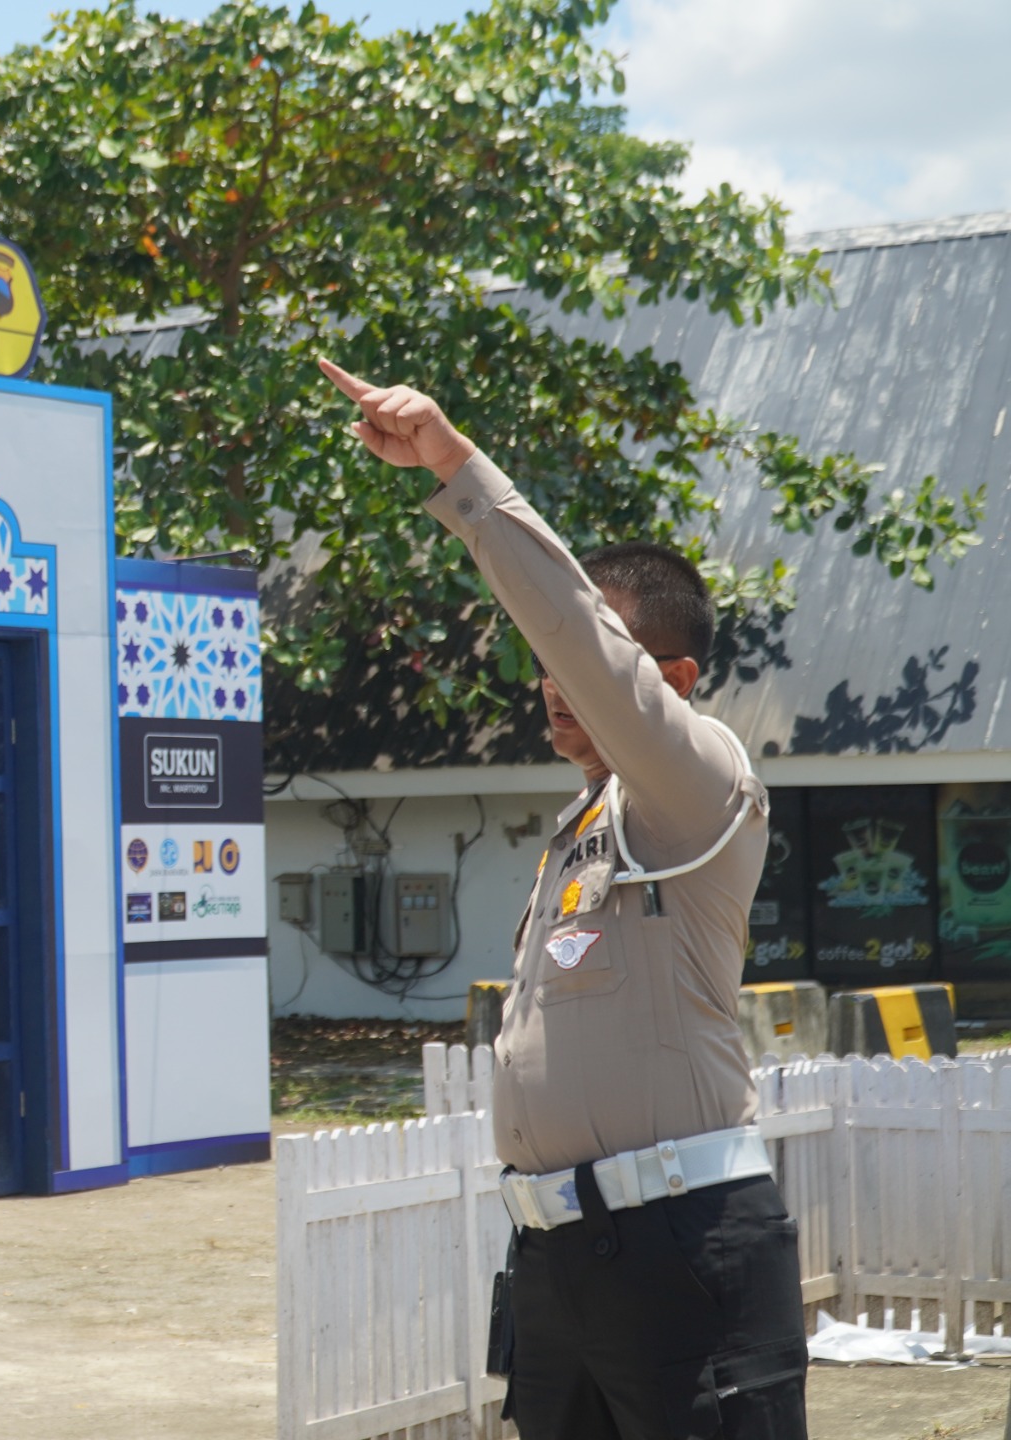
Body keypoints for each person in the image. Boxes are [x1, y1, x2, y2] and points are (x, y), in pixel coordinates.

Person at [323, 358, 804, 1438]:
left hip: (684, 1240)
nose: (554, 679)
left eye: (580, 661)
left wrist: (455, 468)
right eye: (545, 661)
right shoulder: (585, 821)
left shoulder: (700, 780)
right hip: (558, 1254)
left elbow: (579, 635)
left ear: (671, 683)